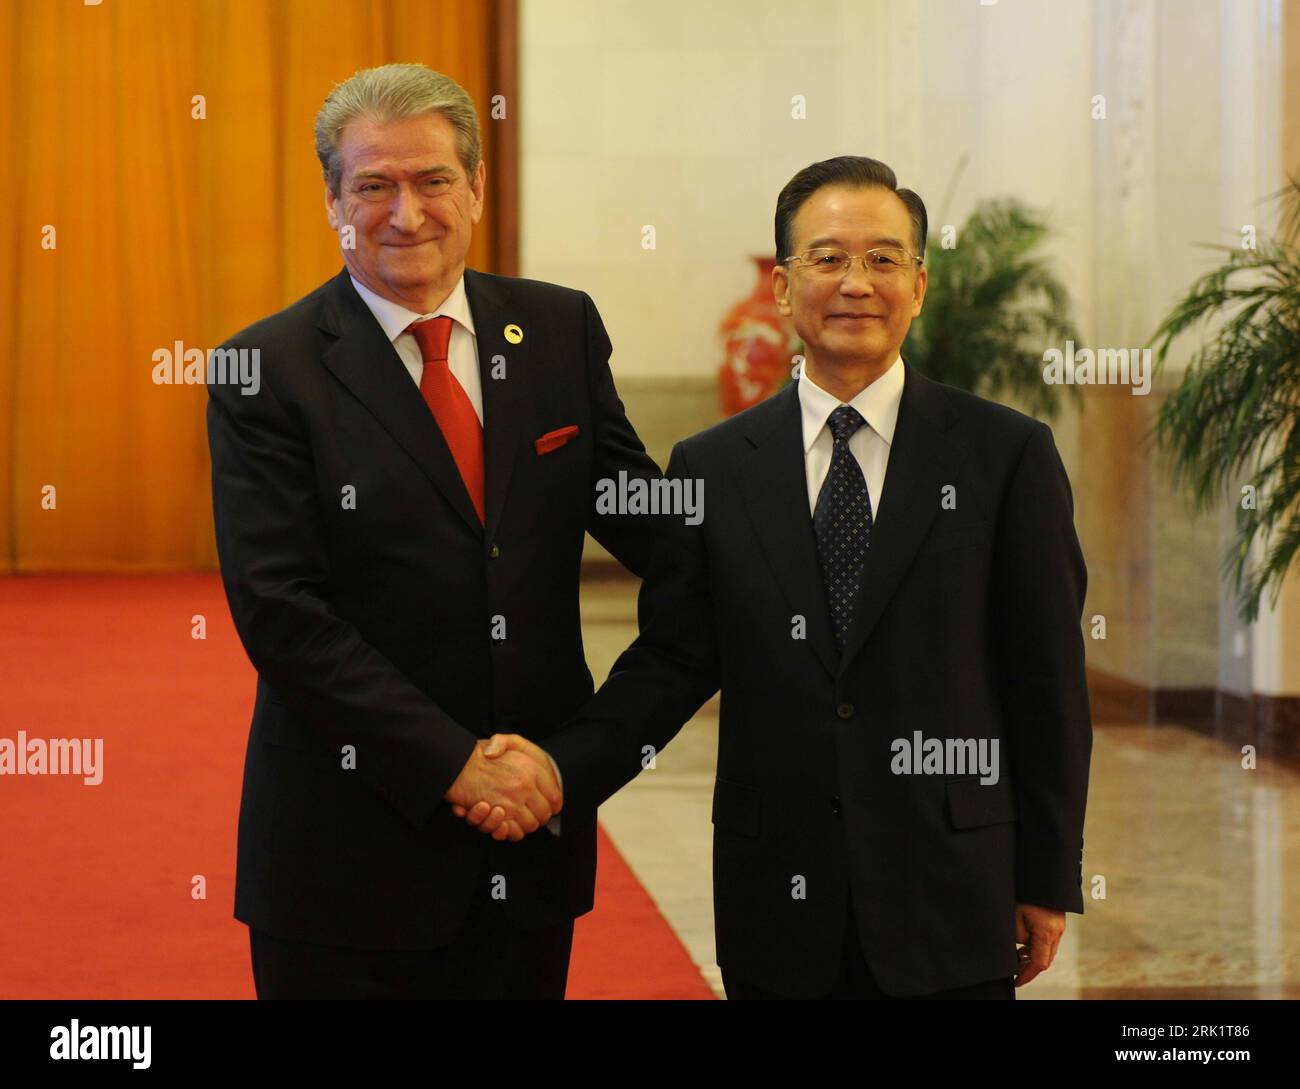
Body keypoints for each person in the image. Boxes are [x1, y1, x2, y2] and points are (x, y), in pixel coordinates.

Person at [465, 156, 1093, 999]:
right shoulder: (714, 468)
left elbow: (1047, 681)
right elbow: (672, 662)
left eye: (883, 259)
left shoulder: (1005, 456)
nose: (857, 283)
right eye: (827, 258)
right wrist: (558, 770)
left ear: (920, 283)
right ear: (784, 290)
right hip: (777, 897)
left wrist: (1047, 876)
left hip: (951, 888)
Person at [206, 62, 662, 999]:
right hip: (345, 852)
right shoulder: (266, 367)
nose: (406, 212)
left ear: (478, 188)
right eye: (373, 185)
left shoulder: (559, 329)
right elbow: (283, 613)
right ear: (334, 198)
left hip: (530, 848)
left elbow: (652, 527)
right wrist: (456, 766)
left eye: (432, 180)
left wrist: (781, 501)